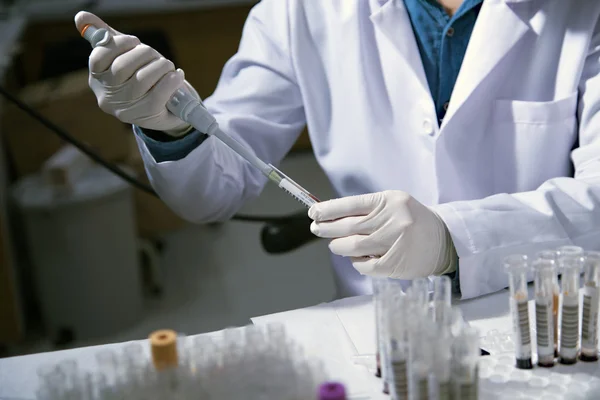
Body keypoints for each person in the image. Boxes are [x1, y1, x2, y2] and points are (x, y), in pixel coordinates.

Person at [75, 0, 600, 300]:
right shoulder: (301, 11)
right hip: (377, 319)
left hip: (545, 308)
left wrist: (455, 240)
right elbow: (210, 192)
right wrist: (168, 125)